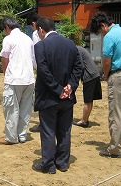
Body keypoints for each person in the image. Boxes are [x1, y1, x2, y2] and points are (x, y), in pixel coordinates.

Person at [32, 17, 82, 174]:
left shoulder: (40, 46)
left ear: (41, 29)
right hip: (67, 97)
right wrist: (70, 86)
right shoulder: (70, 43)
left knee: (48, 130)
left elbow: (44, 71)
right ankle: (62, 162)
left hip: (49, 96)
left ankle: (48, 164)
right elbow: (78, 67)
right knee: (65, 130)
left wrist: (58, 89)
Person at [90, 12, 121, 158]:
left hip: (119, 76)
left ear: (103, 26)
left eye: (99, 31)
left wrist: (106, 74)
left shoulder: (110, 36)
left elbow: (106, 60)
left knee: (116, 114)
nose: (100, 34)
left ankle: (115, 148)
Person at [0, 17, 36, 145]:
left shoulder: (8, 39)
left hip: (14, 79)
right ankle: (22, 134)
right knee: (25, 108)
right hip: (29, 78)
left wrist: (5, 73)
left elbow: (4, 58)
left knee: (11, 109)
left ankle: (11, 137)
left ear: (7, 27)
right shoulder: (28, 38)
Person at [72, 45, 102, 128]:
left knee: (87, 100)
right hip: (95, 74)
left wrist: (78, 78)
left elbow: (80, 66)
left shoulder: (76, 50)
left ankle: (84, 121)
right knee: (90, 100)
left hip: (89, 76)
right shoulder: (80, 49)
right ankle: (85, 119)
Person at [26, 11, 41, 133]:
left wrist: (36, 68)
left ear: (33, 24)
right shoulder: (51, 31)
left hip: (42, 68)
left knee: (41, 95)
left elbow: (36, 53)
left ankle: (42, 122)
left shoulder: (36, 34)